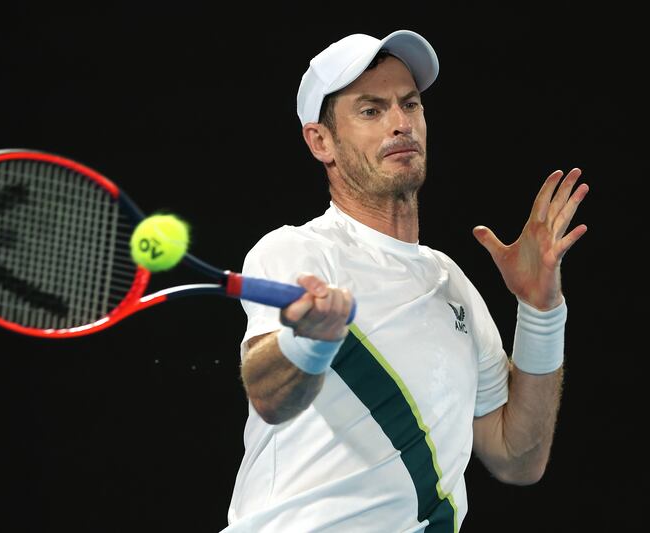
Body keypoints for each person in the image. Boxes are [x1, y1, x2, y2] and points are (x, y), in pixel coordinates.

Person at [223, 29, 589, 532]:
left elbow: (518, 459)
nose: (401, 123)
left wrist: (541, 312)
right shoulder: (299, 251)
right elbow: (269, 397)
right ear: (320, 141)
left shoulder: (452, 285)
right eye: (371, 110)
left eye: (410, 105)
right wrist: (308, 340)